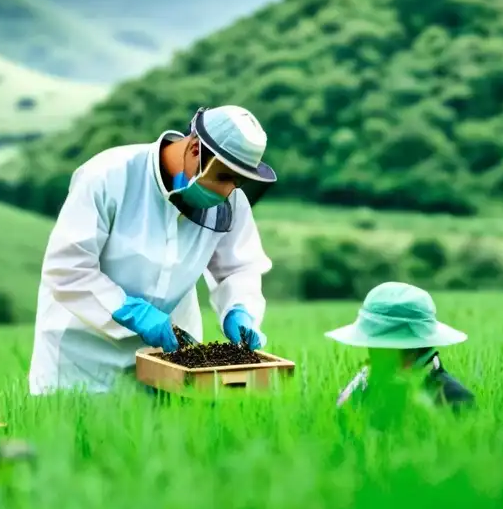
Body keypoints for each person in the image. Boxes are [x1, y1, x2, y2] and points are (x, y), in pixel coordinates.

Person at [28, 105, 277, 395]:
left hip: (170, 361)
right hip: (81, 361)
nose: (228, 191)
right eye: (223, 176)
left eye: (239, 180)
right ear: (196, 148)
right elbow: (67, 270)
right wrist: (131, 312)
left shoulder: (229, 202)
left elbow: (240, 268)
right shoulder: (108, 176)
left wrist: (239, 309)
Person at [326, 281, 474, 410]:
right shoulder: (362, 389)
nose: (372, 355)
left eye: (378, 348)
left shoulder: (455, 399)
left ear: (413, 350)